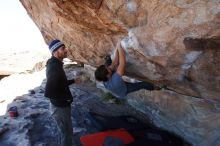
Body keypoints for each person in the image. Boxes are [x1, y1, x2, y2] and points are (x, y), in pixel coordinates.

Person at [95, 40, 163, 99]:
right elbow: (122, 62)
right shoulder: (116, 80)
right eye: (108, 69)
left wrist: (117, 49)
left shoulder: (104, 78)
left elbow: (115, 62)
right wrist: (120, 48)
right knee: (144, 84)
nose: (109, 68)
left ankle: (107, 58)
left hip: (115, 85)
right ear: (108, 75)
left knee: (108, 62)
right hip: (123, 90)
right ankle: (155, 87)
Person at [44, 39, 80, 146]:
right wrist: (65, 98)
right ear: (55, 52)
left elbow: (60, 83)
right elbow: (49, 92)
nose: (66, 50)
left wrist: (73, 81)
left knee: (64, 131)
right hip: (60, 107)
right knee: (67, 132)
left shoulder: (56, 63)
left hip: (60, 105)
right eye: (63, 48)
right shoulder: (54, 67)